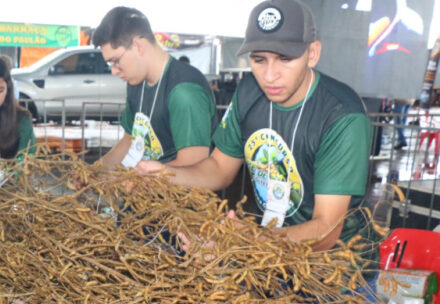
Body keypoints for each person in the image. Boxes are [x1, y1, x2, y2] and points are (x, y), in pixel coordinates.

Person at [137, 0, 371, 254]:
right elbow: (219, 168)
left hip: (334, 277)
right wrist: (164, 175)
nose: (270, 75)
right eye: (259, 60)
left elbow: (326, 231)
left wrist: (245, 241)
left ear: (312, 53)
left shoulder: (341, 115)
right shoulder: (249, 91)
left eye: (285, 59)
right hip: (268, 257)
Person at [90, 7, 217, 170]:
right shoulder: (135, 82)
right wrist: (95, 171)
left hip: (176, 194)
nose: (114, 71)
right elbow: (129, 140)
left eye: (116, 61)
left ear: (138, 46)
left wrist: (136, 181)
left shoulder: (184, 91)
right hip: (144, 191)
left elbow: (193, 166)